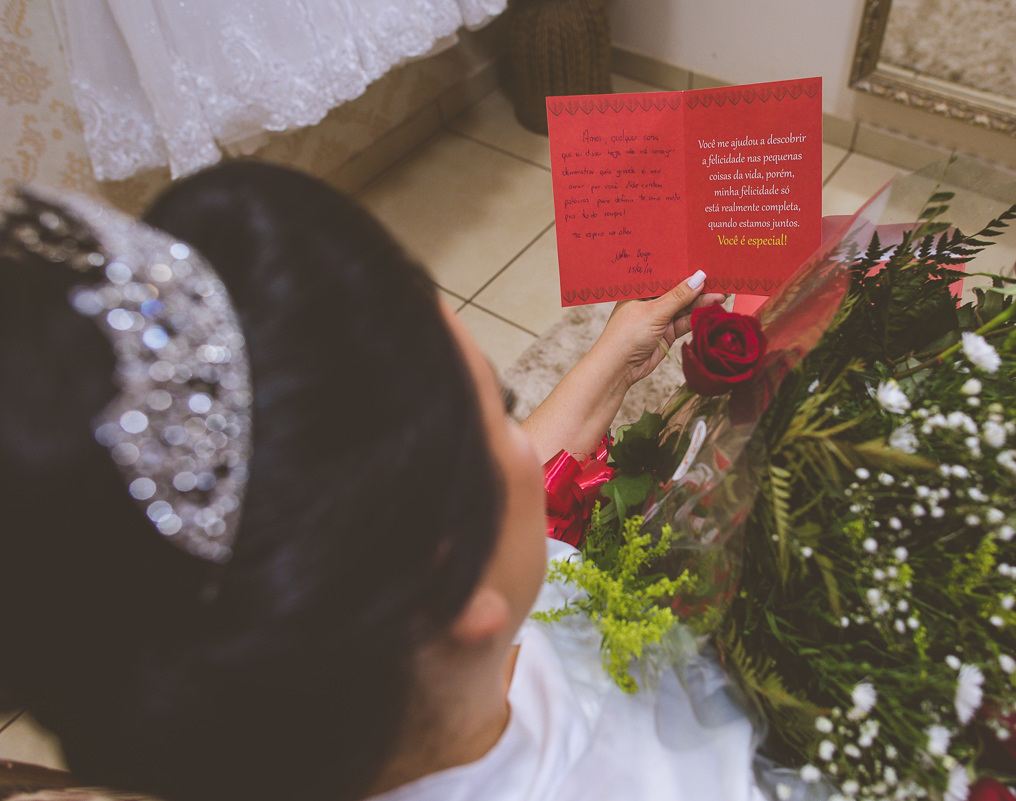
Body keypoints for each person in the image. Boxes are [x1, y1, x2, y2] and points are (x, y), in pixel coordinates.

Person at [0, 161, 771, 801]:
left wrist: (614, 360)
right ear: (453, 582)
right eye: (500, 413)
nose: (518, 437)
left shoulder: (289, 682)